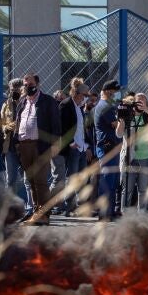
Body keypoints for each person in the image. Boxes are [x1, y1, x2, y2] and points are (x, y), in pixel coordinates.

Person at [15, 73, 61, 225]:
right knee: (31, 180)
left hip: (40, 146)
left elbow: (55, 124)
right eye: (25, 85)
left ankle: (45, 214)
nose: (27, 87)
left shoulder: (48, 101)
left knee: (40, 180)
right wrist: (16, 142)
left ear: (37, 84)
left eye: (30, 84)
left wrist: (55, 144)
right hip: (24, 146)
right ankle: (36, 212)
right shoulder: (22, 102)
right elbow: (18, 122)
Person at [56, 79, 90, 215]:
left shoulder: (79, 107)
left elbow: (82, 128)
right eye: (85, 95)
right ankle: (69, 207)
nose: (86, 98)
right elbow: (61, 127)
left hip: (82, 147)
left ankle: (80, 206)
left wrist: (87, 146)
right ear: (78, 94)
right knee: (72, 178)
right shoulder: (65, 105)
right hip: (73, 148)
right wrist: (69, 143)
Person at [94, 81, 125, 221]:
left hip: (111, 147)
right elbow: (115, 125)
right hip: (107, 147)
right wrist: (123, 118)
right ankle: (104, 213)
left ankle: (110, 211)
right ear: (108, 91)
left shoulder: (107, 106)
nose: (116, 94)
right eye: (114, 92)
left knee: (112, 181)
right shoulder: (105, 106)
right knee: (107, 181)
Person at [1, 78, 31, 210]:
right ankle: (10, 207)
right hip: (10, 146)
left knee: (28, 178)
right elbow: (1, 123)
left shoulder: (28, 102)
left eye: (16, 89)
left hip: (25, 145)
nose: (14, 92)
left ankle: (31, 206)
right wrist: (5, 128)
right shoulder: (6, 104)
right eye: (12, 89)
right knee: (10, 179)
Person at [126, 93, 148, 211]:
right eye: (138, 101)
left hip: (146, 156)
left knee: (143, 189)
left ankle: (141, 213)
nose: (140, 103)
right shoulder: (129, 115)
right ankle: (125, 213)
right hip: (131, 157)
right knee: (128, 188)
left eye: (143, 101)